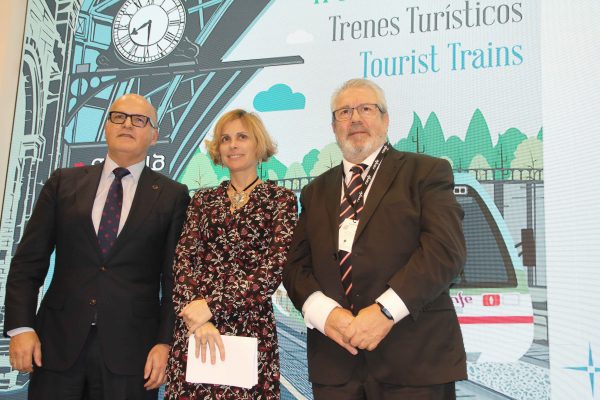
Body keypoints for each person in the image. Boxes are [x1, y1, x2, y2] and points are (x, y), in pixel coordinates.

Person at [283, 78, 467, 400]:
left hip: (414, 362)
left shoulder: (426, 172)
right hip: (335, 364)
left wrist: (385, 312)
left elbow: (444, 251)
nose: (355, 118)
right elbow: (295, 267)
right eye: (344, 112)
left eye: (366, 109)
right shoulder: (315, 191)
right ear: (333, 126)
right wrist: (326, 315)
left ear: (385, 119)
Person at [4, 94, 190, 400]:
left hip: (133, 353)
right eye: (118, 116)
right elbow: (28, 261)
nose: (127, 124)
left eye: (139, 120)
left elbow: (174, 278)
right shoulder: (63, 182)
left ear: (154, 135)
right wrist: (21, 327)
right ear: (106, 127)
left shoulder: (173, 195)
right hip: (56, 345)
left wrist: (165, 342)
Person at [164, 109, 298, 399]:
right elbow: (183, 259)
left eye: (242, 137)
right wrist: (198, 317)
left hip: (250, 329)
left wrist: (212, 306)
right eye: (225, 139)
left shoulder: (281, 200)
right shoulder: (202, 200)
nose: (233, 145)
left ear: (258, 144)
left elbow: (273, 268)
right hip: (195, 328)